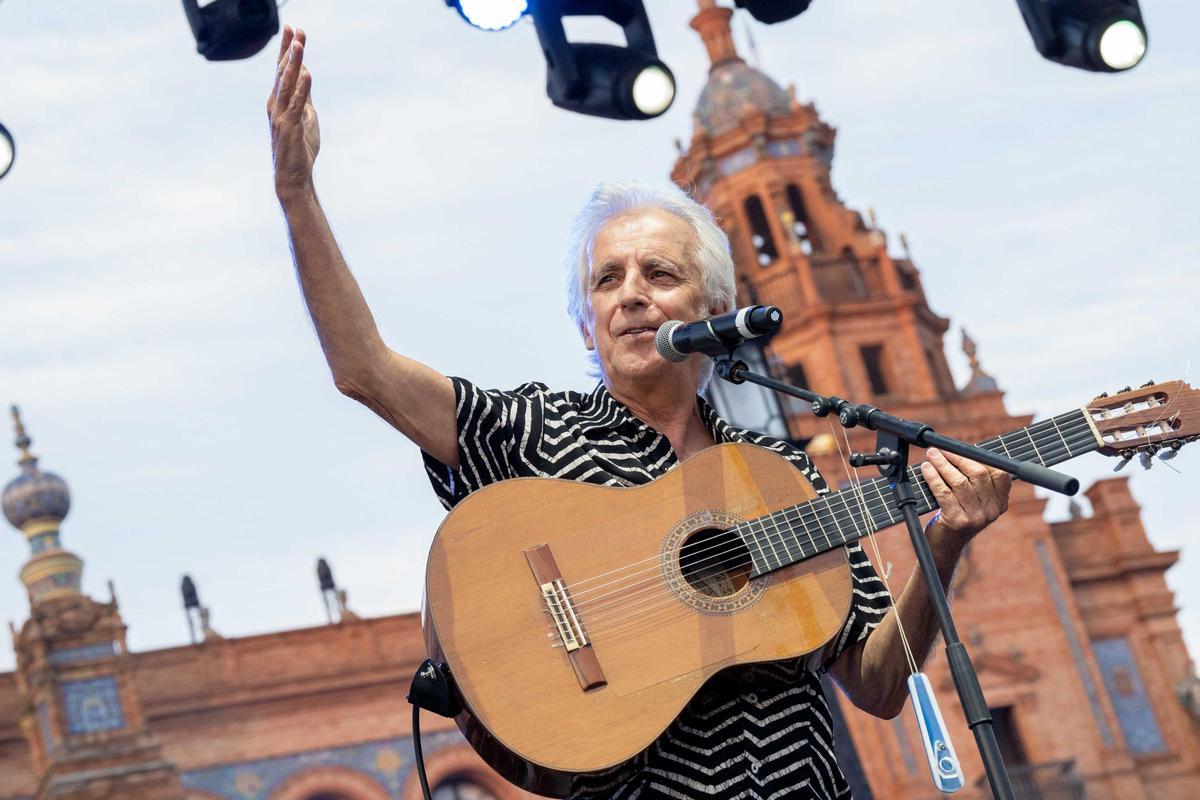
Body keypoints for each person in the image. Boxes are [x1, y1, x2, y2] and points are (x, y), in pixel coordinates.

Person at [267, 25, 1012, 800]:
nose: (630, 295)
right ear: (584, 321)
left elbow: (880, 684)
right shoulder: (533, 432)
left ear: (715, 304)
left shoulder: (781, 474)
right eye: (607, 281)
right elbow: (364, 369)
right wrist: (297, 195)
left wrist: (946, 537)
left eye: (658, 273)